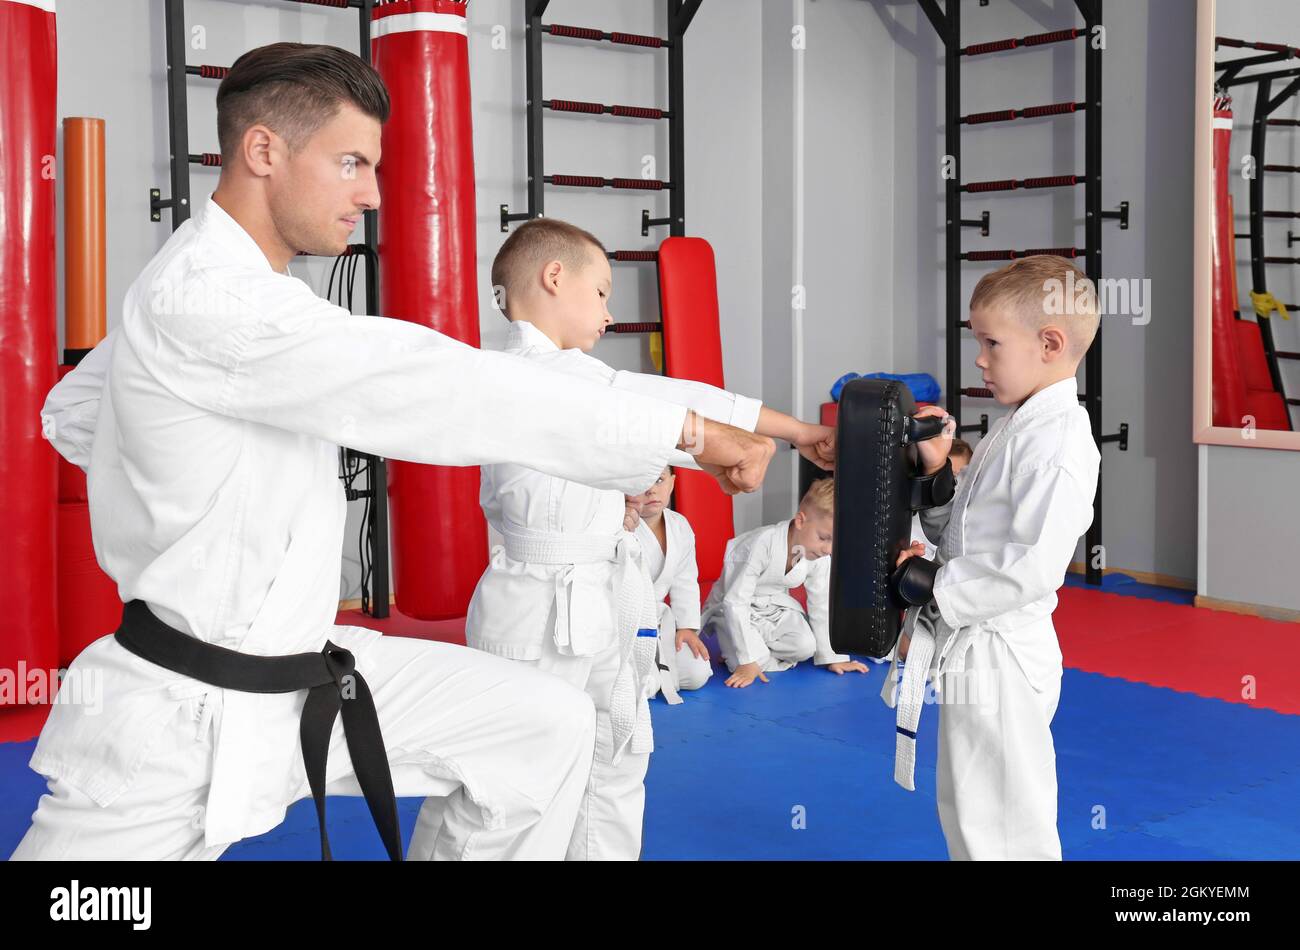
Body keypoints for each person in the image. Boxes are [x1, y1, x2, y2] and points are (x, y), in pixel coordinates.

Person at [11, 43, 773, 862]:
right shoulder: (211, 299)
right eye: (351, 162)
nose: (371, 195)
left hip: (304, 662)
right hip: (178, 710)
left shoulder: (220, 289)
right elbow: (440, 385)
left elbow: (74, 412)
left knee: (543, 726)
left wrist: (192, 477)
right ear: (264, 150)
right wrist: (687, 433)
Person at [453, 216, 834, 860]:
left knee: (616, 758)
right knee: (511, 787)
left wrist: (792, 432)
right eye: (600, 292)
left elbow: (668, 397)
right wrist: (765, 438)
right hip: (535, 610)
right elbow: (660, 406)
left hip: (601, 600)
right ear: (553, 278)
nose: (608, 311)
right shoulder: (523, 374)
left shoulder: (582, 379)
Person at [889, 255, 1102, 861]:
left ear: (1050, 343)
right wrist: (935, 480)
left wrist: (928, 584)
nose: (980, 359)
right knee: (970, 811)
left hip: (1001, 657)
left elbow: (1030, 568)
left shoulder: (1057, 443)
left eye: (991, 343)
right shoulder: (1017, 427)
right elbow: (968, 536)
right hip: (974, 645)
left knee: (1007, 827)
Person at [701, 478, 870, 688]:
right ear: (800, 521)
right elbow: (735, 601)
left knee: (806, 647)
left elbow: (821, 603)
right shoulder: (760, 544)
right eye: (823, 537)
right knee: (750, 662)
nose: (828, 549)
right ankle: (739, 650)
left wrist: (834, 657)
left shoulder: (819, 556)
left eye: (835, 541)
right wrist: (747, 660)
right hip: (732, 609)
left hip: (773, 610)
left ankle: (744, 650)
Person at [625, 467, 712, 704]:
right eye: (641, 481)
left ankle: (648, 676)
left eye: (659, 480)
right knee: (643, 686)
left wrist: (687, 627)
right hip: (623, 623)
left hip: (659, 621)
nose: (651, 489)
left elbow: (685, 581)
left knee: (697, 673)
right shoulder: (618, 526)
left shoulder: (679, 525)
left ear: (672, 483)